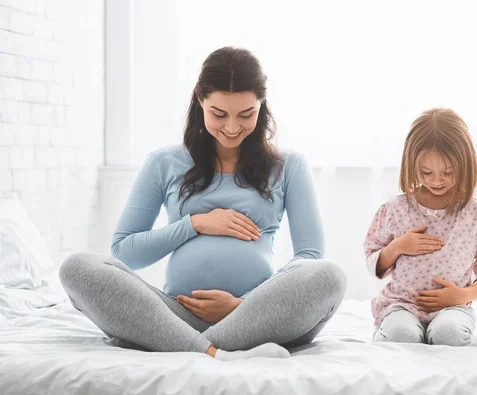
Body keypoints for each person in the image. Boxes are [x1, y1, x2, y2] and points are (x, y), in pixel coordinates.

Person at [59, 47, 347, 361]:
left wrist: (245, 304)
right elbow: (125, 251)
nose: (232, 127)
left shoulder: (288, 165)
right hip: (174, 315)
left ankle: (184, 346)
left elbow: (310, 256)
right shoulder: (163, 162)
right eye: (219, 114)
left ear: (261, 106)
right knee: (77, 268)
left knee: (328, 276)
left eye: (246, 114)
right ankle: (214, 352)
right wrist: (195, 224)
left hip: (256, 319)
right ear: (200, 101)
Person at [364, 108, 477, 346]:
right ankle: (389, 331)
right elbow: (373, 259)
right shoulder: (394, 209)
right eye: (427, 172)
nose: (437, 181)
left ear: (466, 164)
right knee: (401, 336)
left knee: (448, 334)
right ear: (411, 164)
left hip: (454, 308)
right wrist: (397, 247)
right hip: (401, 306)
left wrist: (463, 295)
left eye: (448, 172)